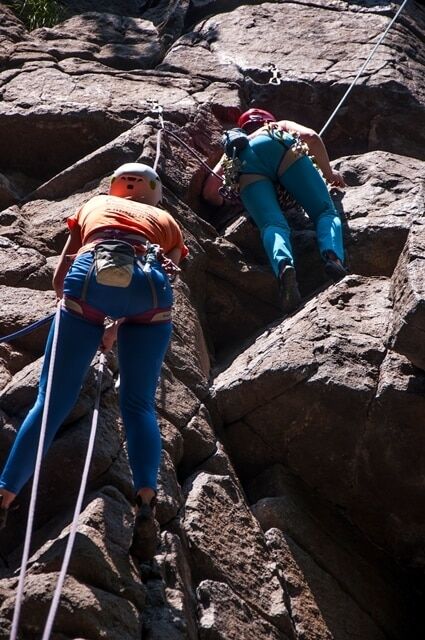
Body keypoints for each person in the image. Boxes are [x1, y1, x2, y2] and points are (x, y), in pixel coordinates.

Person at [0, 162, 188, 561]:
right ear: (153, 192)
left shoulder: (97, 203)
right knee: (139, 406)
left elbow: (60, 277)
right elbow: (167, 273)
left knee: (51, 402)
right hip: (150, 291)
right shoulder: (166, 219)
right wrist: (115, 327)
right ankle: (146, 501)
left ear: (118, 187)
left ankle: (4, 498)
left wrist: (81, 316)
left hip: (91, 274)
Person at [202, 108, 348, 313]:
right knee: (324, 212)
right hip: (279, 147)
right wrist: (329, 173)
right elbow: (311, 137)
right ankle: (333, 258)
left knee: (272, 224)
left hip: (245, 166)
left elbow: (210, 192)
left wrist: (233, 201)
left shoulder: (234, 150)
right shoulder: (278, 126)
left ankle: (283, 268)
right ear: (268, 120)